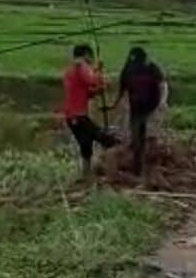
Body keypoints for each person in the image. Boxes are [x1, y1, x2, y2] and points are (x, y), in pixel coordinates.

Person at [63, 44, 118, 182]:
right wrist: (99, 73)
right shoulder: (80, 66)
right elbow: (91, 80)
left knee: (86, 144)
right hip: (78, 115)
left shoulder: (71, 71)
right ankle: (112, 168)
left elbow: (86, 92)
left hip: (72, 116)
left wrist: (98, 89)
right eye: (90, 56)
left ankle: (86, 175)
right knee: (104, 138)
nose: (91, 59)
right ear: (85, 55)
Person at [111, 47, 168, 177]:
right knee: (136, 137)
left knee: (148, 136)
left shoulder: (152, 68)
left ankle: (150, 164)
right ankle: (138, 167)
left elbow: (162, 85)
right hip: (135, 109)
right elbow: (122, 90)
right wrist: (115, 105)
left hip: (152, 106)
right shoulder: (127, 69)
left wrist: (162, 103)